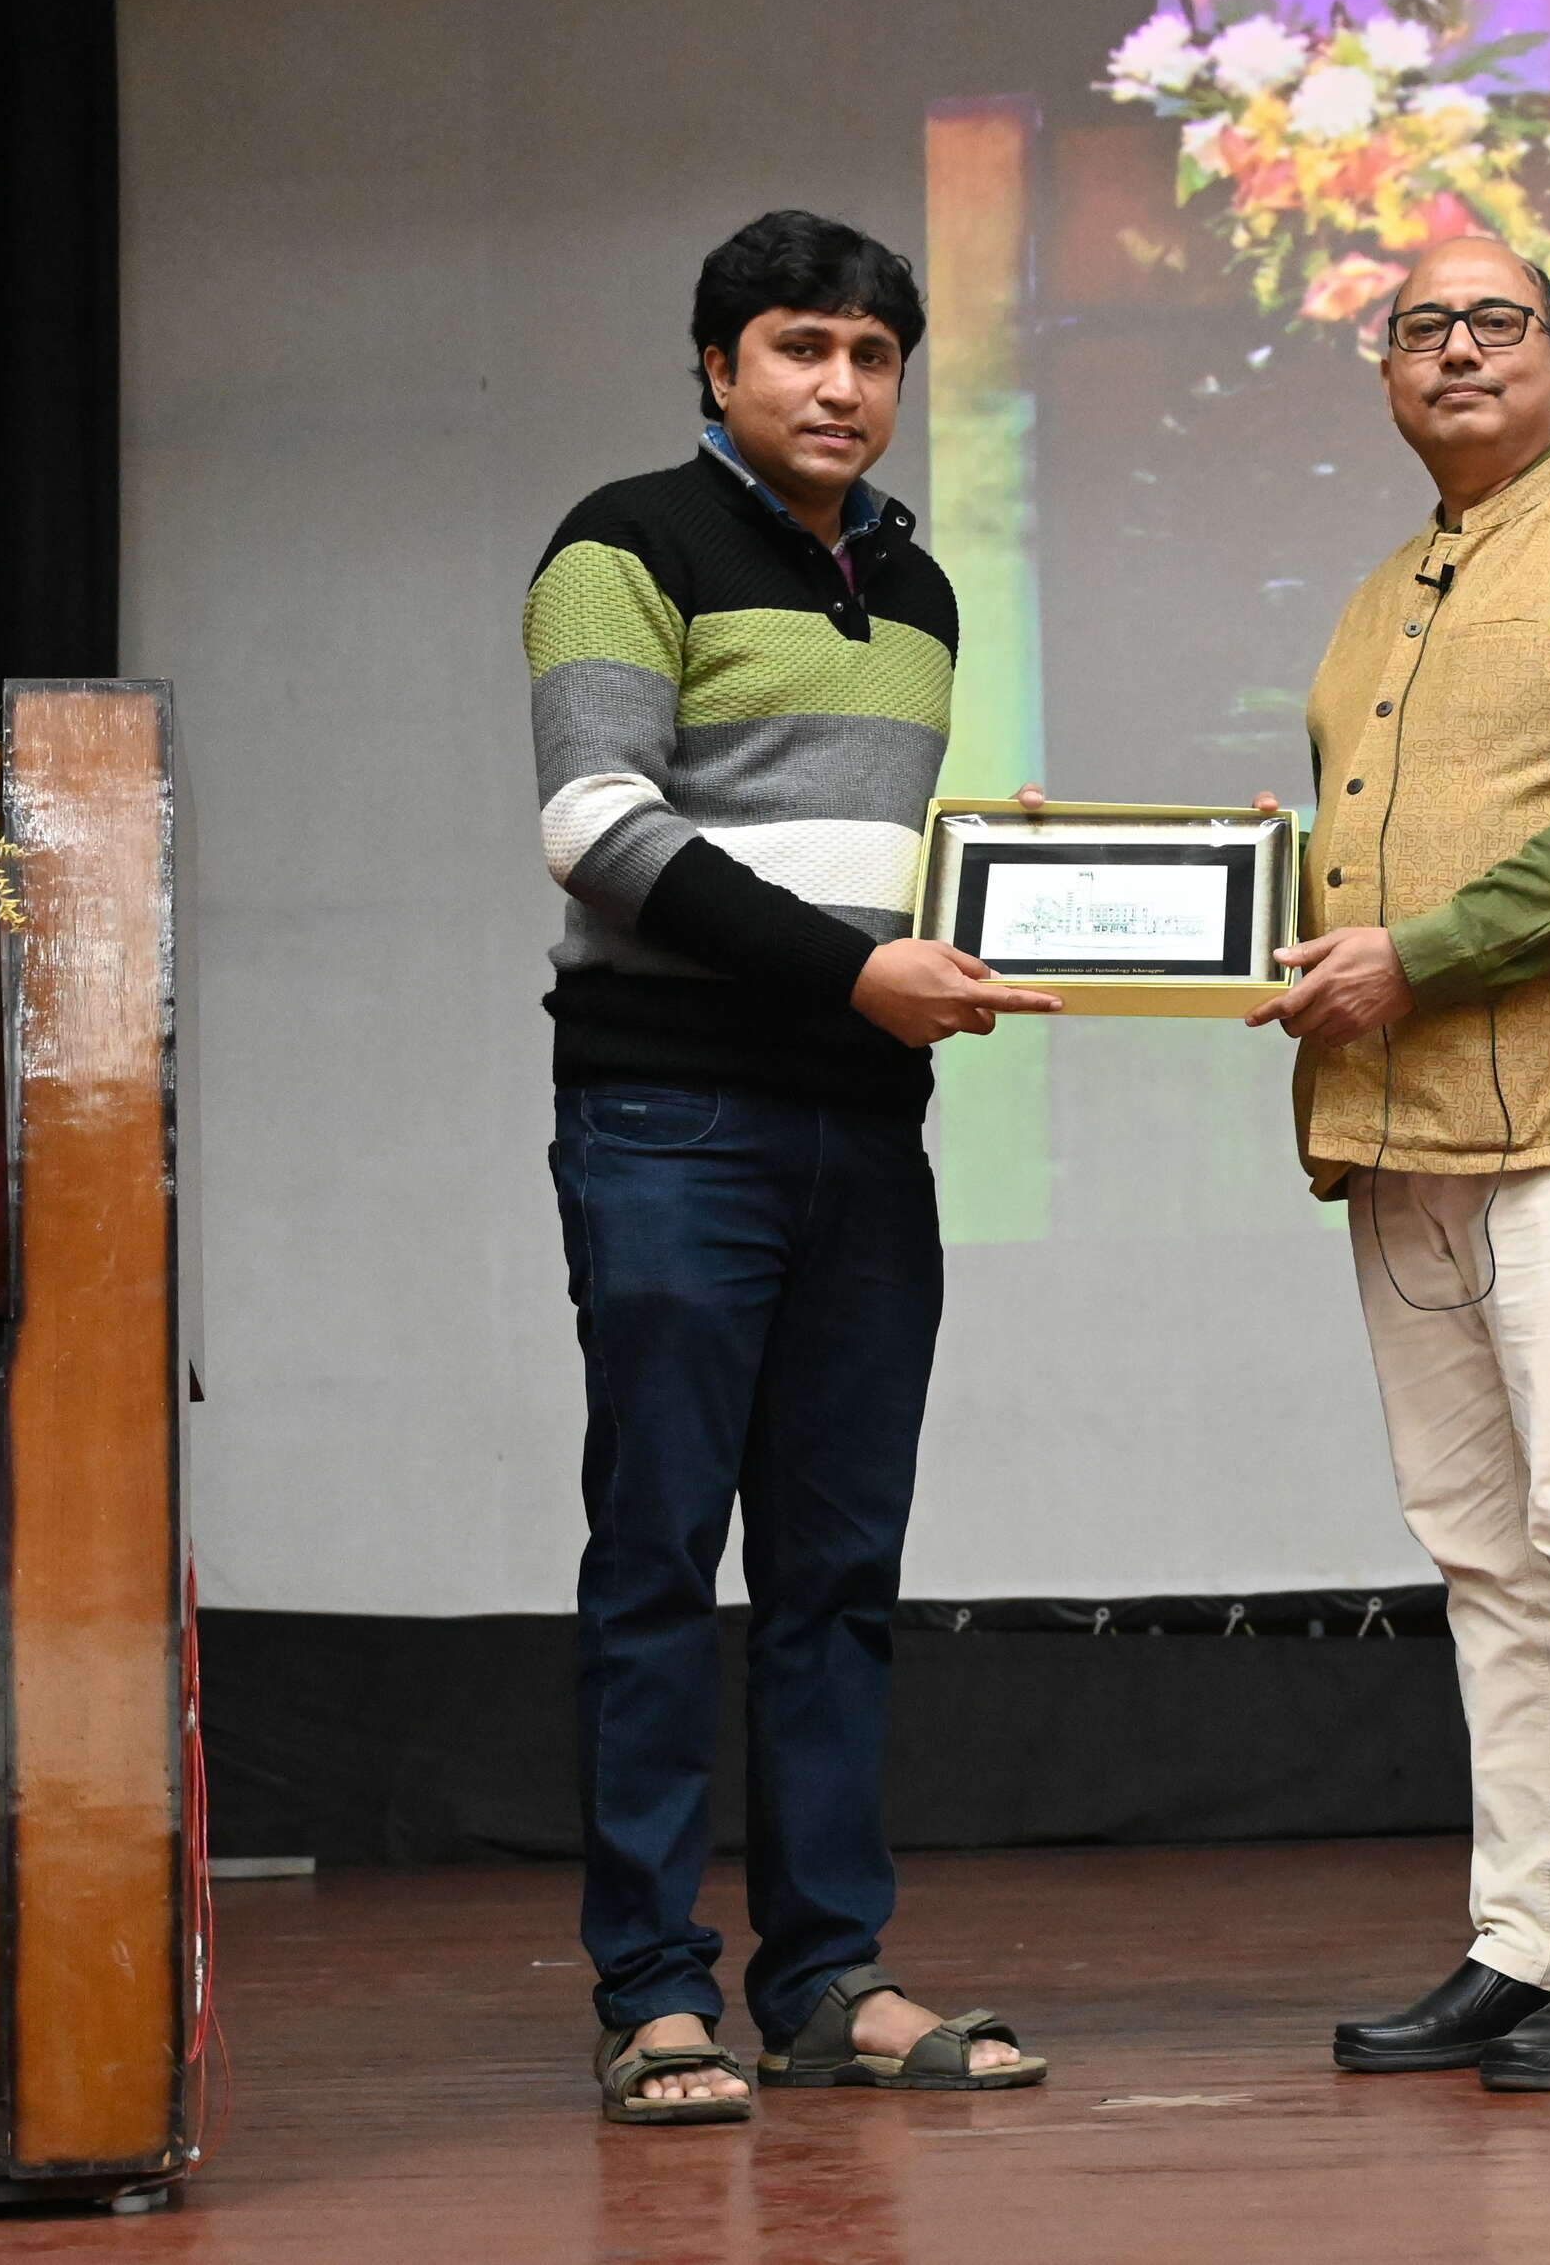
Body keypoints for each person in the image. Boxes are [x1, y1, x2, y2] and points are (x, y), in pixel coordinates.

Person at [525, 209, 1059, 2125]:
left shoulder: (915, 591)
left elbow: (870, 865)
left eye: (870, 354)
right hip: (671, 1119)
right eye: (796, 347)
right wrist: (852, 971)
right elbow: (595, 826)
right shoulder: (621, 543)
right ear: (714, 364)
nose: (838, 385)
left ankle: (828, 1974)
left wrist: (1038, 902)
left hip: (863, 1127)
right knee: (660, 1557)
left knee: (836, 1571)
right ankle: (652, 1989)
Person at [1250, 234, 1550, 2093]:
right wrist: (1196, 907)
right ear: (1386, 371)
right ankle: (1525, 1937)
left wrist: (1421, 953)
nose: (1454, 350)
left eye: (1492, 323)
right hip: (1398, 1127)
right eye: (1419, 328)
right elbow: (1355, 863)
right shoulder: (1382, 589)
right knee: (1481, 1552)